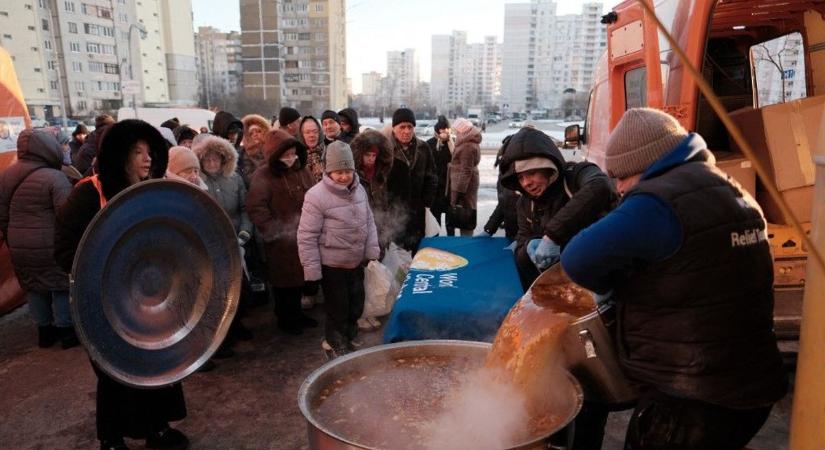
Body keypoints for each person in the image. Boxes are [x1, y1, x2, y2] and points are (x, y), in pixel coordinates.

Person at [561, 108, 788, 450]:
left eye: (620, 177)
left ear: (643, 165)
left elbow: (577, 259)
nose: (619, 189)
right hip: (753, 383)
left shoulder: (658, 202)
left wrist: (614, 285)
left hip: (691, 397)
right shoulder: (730, 188)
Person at [54, 119, 189, 450]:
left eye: (150, 152)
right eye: (137, 152)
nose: (147, 159)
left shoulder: (156, 191)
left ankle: (157, 429)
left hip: (151, 300)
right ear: (118, 156)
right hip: (103, 307)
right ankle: (111, 439)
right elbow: (64, 251)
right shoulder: (90, 192)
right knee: (113, 377)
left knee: (157, 368)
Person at [497, 127, 617, 290]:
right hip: (557, 287)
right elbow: (522, 240)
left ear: (548, 168)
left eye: (531, 173)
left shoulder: (577, 175)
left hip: (599, 280)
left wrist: (552, 236)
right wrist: (527, 248)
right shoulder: (524, 203)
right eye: (520, 177)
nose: (526, 183)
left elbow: (600, 186)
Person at [297, 141, 380, 359]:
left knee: (356, 304)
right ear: (328, 171)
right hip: (332, 265)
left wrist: (371, 249)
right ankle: (334, 342)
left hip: (356, 261)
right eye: (338, 172)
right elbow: (307, 236)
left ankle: (349, 336)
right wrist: (312, 270)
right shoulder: (316, 196)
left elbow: (369, 220)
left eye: (348, 171)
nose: (344, 177)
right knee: (338, 309)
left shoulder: (359, 188)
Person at [0, 129, 76, 349]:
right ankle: (66, 331)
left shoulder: (6, 175)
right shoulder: (55, 177)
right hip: (49, 243)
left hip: (18, 243)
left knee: (34, 285)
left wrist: (11, 237)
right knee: (60, 283)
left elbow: (2, 214)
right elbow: (66, 215)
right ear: (47, 148)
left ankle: (44, 332)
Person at [246, 129, 319, 335]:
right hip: (279, 240)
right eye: (286, 154)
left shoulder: (301, 170)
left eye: (293, 153)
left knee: (299, 280)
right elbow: (256, 207)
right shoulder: (262, 175)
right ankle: (285, 319)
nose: (290, 158)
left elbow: (314, 195)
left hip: (303, 235)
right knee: (283, 282)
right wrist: (274, 230)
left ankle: (297, 314)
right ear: (275, 154)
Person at [193, 135, 255, 345]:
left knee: (238, 287)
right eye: (207, 160)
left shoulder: (235, 179)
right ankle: (222, 336)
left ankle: (237, 325)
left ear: (223, 159)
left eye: (216, 159)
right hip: (211, 244)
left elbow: (245, 208)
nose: (212, 164)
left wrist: (245, 232)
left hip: (236, 240)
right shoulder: (198, 183)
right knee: (217, 291)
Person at [351, 129, 395, 331]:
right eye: (367, 155)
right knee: (361, 275)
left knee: (374, 271)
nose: (370, 159)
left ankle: (371, 310)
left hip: (379, 226)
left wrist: (386, 227)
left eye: (374, 155)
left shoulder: (380, 174)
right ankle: (360, 313)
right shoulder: (353, 176)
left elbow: (384, 201)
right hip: (360, 229)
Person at [386, 107, 438, 253]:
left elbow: (432, 177)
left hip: (417, 212)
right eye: (402, 127)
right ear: (394, 128)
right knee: (396, 256)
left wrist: (426, 202)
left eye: (410, 127)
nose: (407, 131)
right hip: (393, 215)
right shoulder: (386, 149)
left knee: (418, 253)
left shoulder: (423, 148)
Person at [446, 118, 481, 236]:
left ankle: (466, 244)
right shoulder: (466, 142)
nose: (455, 132)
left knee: (465, 217)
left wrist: (458, 193)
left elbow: (466, 170)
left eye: (456, 130)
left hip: (464, 188)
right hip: (465, 185)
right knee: (464, 216)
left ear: (462, 130)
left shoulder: (468, 146)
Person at [481, 136, 519, 241]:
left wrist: (523, 240)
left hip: (525, 238)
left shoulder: (523, 175)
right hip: (510, 232)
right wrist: (488, 229)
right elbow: (504, 204)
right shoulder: (504, 172)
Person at [426, 116, 453, 235]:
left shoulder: (453, 144)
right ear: (437, 130)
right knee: (435, 220)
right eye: (441, 130)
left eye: (446, 129)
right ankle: (436, 242)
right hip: (435, 188)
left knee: (450, 221)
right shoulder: (429, 144)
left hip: (449, 187)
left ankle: (451, 243)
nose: (444, 133)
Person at [237, 114, 271, 188]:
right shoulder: (246, 153)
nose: (255, 134)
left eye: (258, 131)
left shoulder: (272, 148)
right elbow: (249, 176)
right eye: (251, 133)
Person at [298, 115, 325, 183]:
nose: (311, 135)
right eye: (307, 132)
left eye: (315, 131)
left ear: (320, 133)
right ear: (302, 135)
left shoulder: (329, 152)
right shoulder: (298, 157)